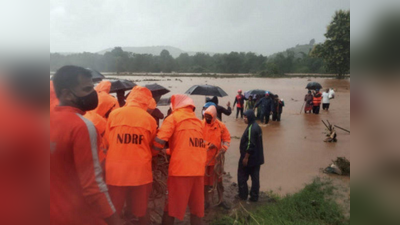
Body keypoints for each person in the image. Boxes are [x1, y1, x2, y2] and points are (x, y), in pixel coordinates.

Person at [50, 66, 124, 225]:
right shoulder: (82, 127)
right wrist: (114, 220)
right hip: (77, 215)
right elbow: (93, 186)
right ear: (66, 94)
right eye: (87, 89)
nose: (93, 94)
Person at [105, 86, 157, 225]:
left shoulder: (114, 114)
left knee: (113, 211)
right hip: (140, 172)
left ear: (129, 98)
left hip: (116, 172)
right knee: (142, 211)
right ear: (146, 102)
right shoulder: (150, 120)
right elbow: (151, 145)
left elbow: (107, 141)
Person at [152, 94, 207, 225]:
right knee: (196, 210)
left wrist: (153, 153)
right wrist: (167, 151)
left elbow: (158, 142)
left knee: (171, 208)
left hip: (180, 172)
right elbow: (188, 146)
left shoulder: (173, 118)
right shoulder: (198, 122)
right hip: (199, 171)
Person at [202, 105, 231, 209]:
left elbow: (227, 140)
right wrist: (209, 145)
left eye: (209, 117)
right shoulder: (201, 125)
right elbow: (196, 141)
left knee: (219, 182)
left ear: (214, 116)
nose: (207, 119)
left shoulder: (221, 126)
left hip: (217, 160)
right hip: (205, 161)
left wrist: (223, 149)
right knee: (205, 184)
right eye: (206, 117)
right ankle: (207, 202)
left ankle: (221, 200)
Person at [238, 110, 264, 202]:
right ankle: (254, 196)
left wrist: (245, 157)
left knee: (242, 176)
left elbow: (250, 144)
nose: (244, 119)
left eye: (245, 117)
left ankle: (243, 195)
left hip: (249, 159)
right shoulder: (257, 126)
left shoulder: (251, 128)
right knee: (255, 178)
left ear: (250, 117)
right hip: (257, 158)